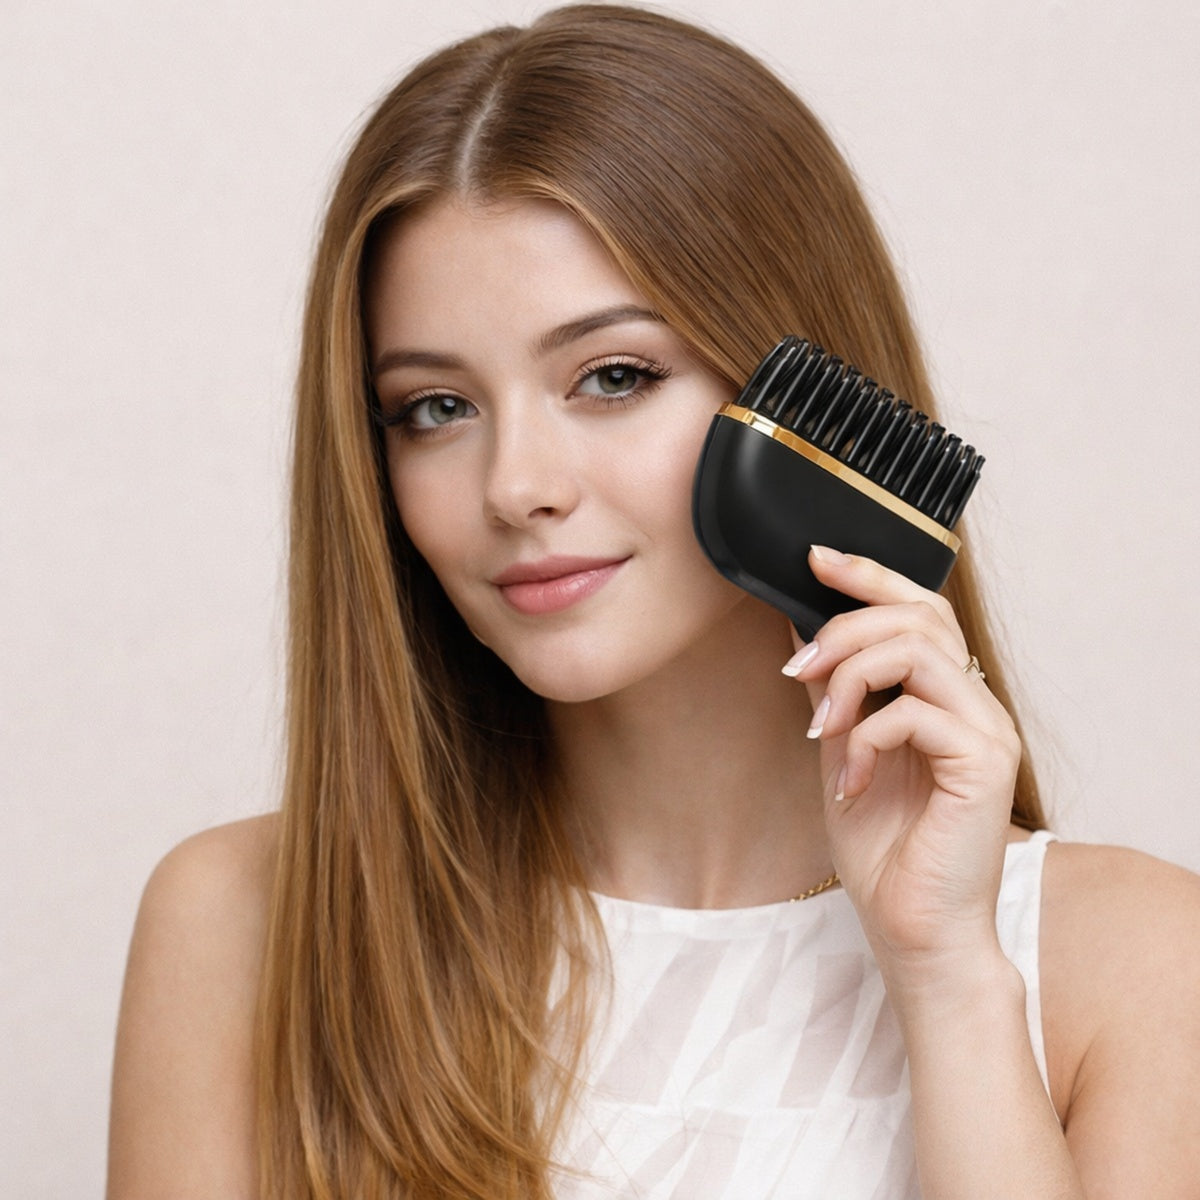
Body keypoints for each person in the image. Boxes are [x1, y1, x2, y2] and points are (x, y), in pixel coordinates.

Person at [106, 5, 1200, 1198]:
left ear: (802, 406)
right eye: (436, 408)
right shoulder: (243, 931)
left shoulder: (1134, 965)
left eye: (613, 377)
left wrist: (947, 985)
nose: (516, 486)